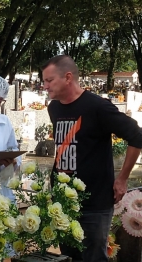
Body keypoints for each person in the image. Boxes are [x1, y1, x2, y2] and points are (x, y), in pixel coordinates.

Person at [42, 55, 142, 262]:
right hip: (63, 202)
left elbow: (137, 136)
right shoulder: (54, 108)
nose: (45, 86)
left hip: (94, 202)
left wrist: (122, 178)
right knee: (68, 258)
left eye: (49, 80)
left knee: (93, 258)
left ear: (68, 77)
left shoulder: (98, 107)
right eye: (44, 81)